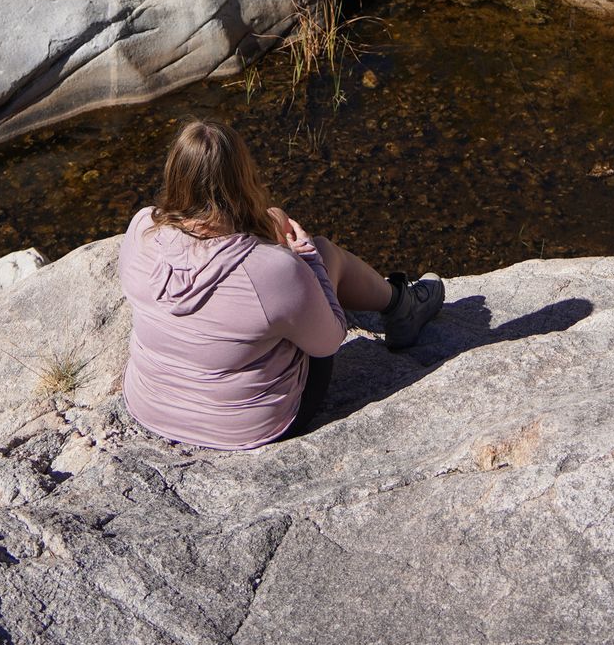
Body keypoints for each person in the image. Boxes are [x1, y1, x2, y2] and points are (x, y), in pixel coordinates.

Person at [119, 117, 445, 449]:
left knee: (274, 217)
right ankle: (401, 305)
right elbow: (329, 341)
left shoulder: (142, 227)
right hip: (248, 426)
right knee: (327, 252)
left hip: (149, 405)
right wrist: (308, 262)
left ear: (176, 175)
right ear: (242, 176)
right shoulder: (273, 272)